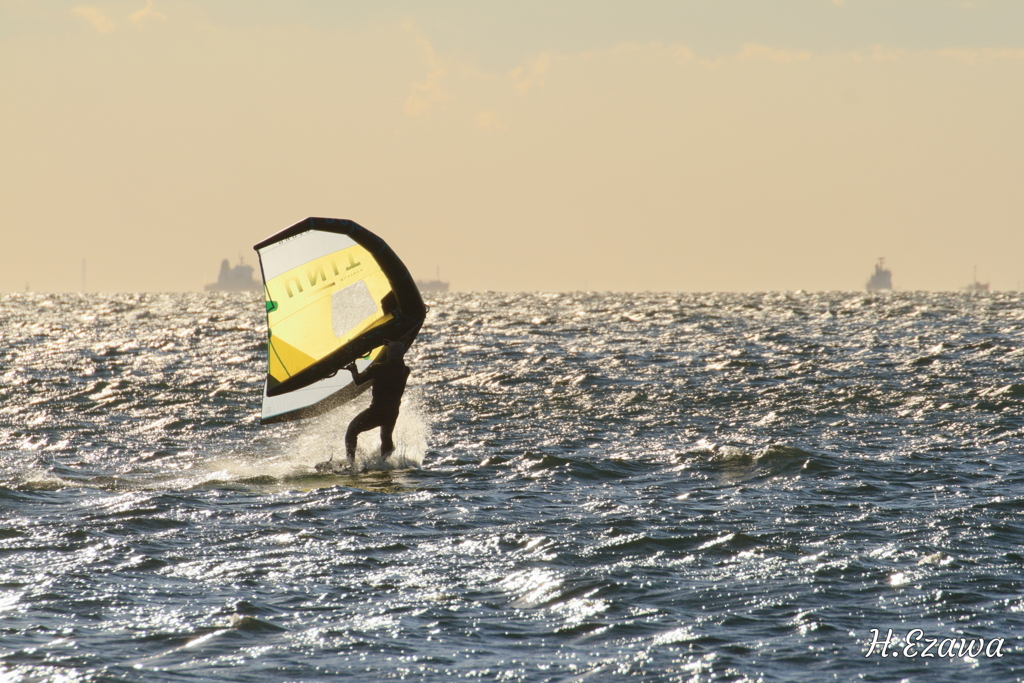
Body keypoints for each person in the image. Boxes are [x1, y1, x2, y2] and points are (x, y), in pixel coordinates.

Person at [343, 341, 410, 465]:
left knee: (351, 432)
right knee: (386, 437)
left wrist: (353, 369)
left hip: (377, 410)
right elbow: (397, 360)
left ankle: (351, 464)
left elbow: (359, 381)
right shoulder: (405, 370)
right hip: (392, 412)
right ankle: (384, 463)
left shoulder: (378, 368)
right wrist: (390, 343)